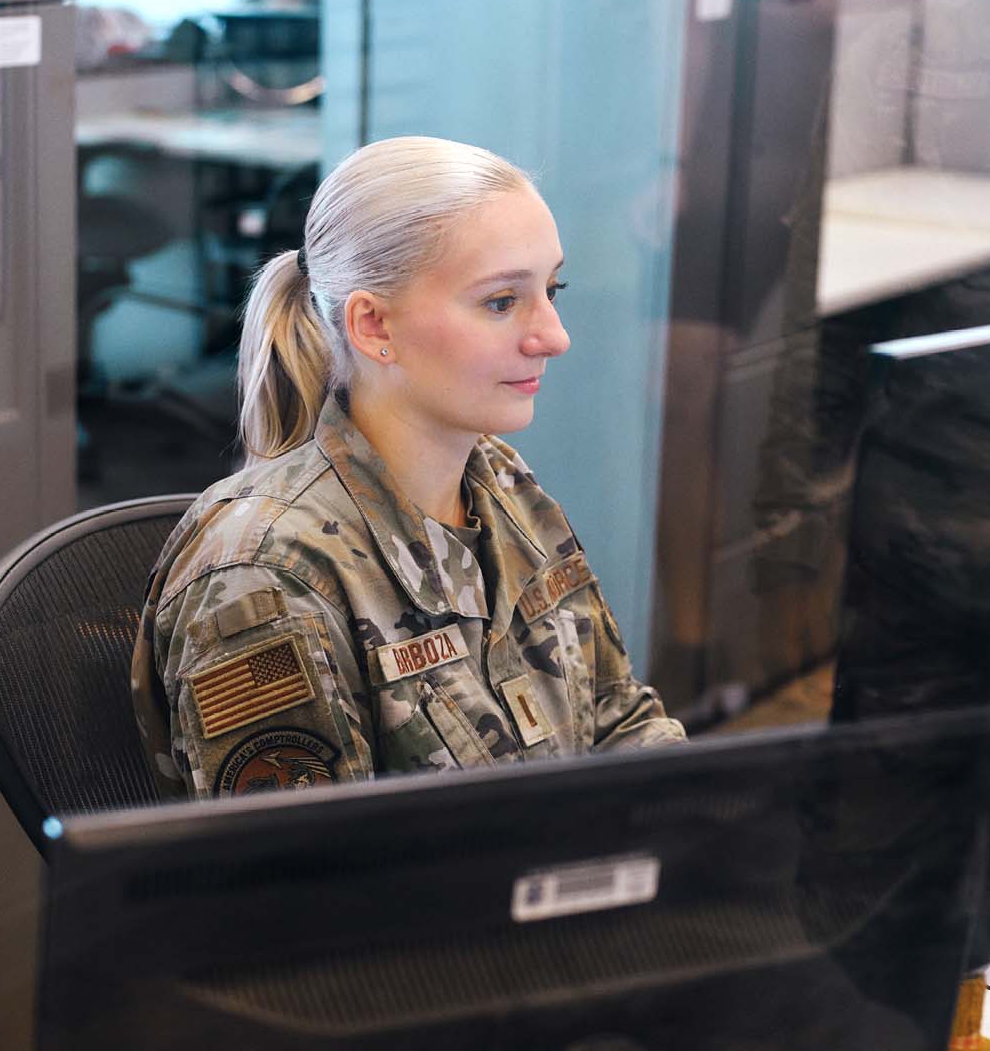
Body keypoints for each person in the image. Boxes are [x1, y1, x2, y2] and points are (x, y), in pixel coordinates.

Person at [130, 136, 686, 799]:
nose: (554, 336)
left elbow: (620, 721)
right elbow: (301, 885)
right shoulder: (267, 577)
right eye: (502, 302)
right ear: (372, 326)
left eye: (552, 289)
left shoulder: (501, 484)